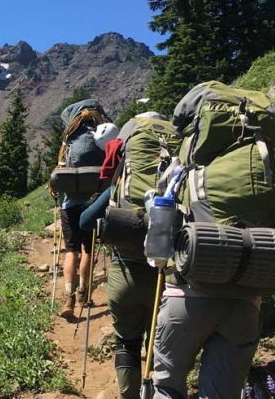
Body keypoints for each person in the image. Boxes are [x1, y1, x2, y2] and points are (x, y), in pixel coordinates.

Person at [80, 112, 168, 399]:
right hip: (164, 279)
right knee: (160, 344)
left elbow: (85, 222)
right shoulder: (179, 179)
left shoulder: (121, 183)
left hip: (124, 275)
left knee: (127, 344)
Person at [56, 100, 110, 319]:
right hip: (93, 204)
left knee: (71, 251)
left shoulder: (70, 140)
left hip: (70, 203)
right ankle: (83, 294)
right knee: (87, 249)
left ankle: (68, 297)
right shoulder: (100, 138)